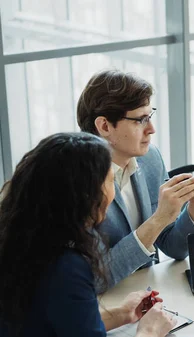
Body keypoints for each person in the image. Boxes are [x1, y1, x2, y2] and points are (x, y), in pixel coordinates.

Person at [0, 132, 176, 337]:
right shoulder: (67, 266)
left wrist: (121, 314)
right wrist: (150, 331)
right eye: (111, 181)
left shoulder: (25, 241)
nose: (114, 192)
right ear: (86, 194)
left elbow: (61, 321)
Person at [77, 69, 194, 290]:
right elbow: (96, 278)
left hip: (148, 293)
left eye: (150, 116)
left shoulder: (149, 159)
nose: (151, 129)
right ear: (105, 126)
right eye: (140, 120)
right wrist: (159, 219)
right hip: (103, 306)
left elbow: (174, 247)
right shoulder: (76, 182)